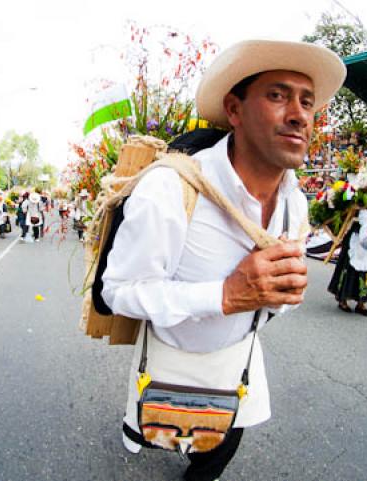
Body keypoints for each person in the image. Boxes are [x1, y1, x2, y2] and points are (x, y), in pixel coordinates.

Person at [101, 39, 345, 481]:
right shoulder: (171, 190)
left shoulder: (296, 205)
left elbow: (276, 304)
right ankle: (134, 426)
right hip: (170, 360)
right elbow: (118, 292)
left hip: (237, 366)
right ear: (234, 109)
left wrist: (283, 294)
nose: (299, 114)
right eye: (277, 95)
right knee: (154, 427)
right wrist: (226, 295)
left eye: (307, 102)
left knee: (214, 456)